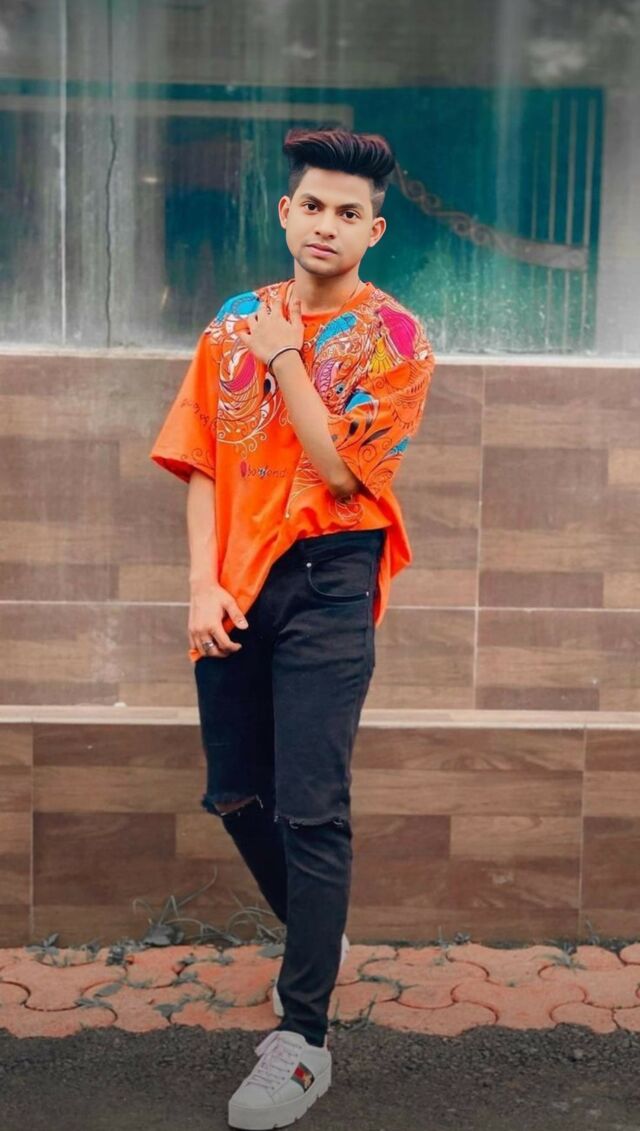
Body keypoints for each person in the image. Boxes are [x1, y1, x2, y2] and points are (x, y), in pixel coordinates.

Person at [149, 125, 436, 1129]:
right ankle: (321, 932)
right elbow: (199, 461)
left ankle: (304, 1038)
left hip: (329, 576)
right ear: (285, 211)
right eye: (312, 205)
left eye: (349, 213)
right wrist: (200, 585)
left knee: (312, 807)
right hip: (236, 578)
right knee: (236, 791)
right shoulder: (232, 321)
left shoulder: (396, 338)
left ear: (374, 231)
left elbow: (343, 471)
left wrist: (287, 359)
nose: (327, 224)